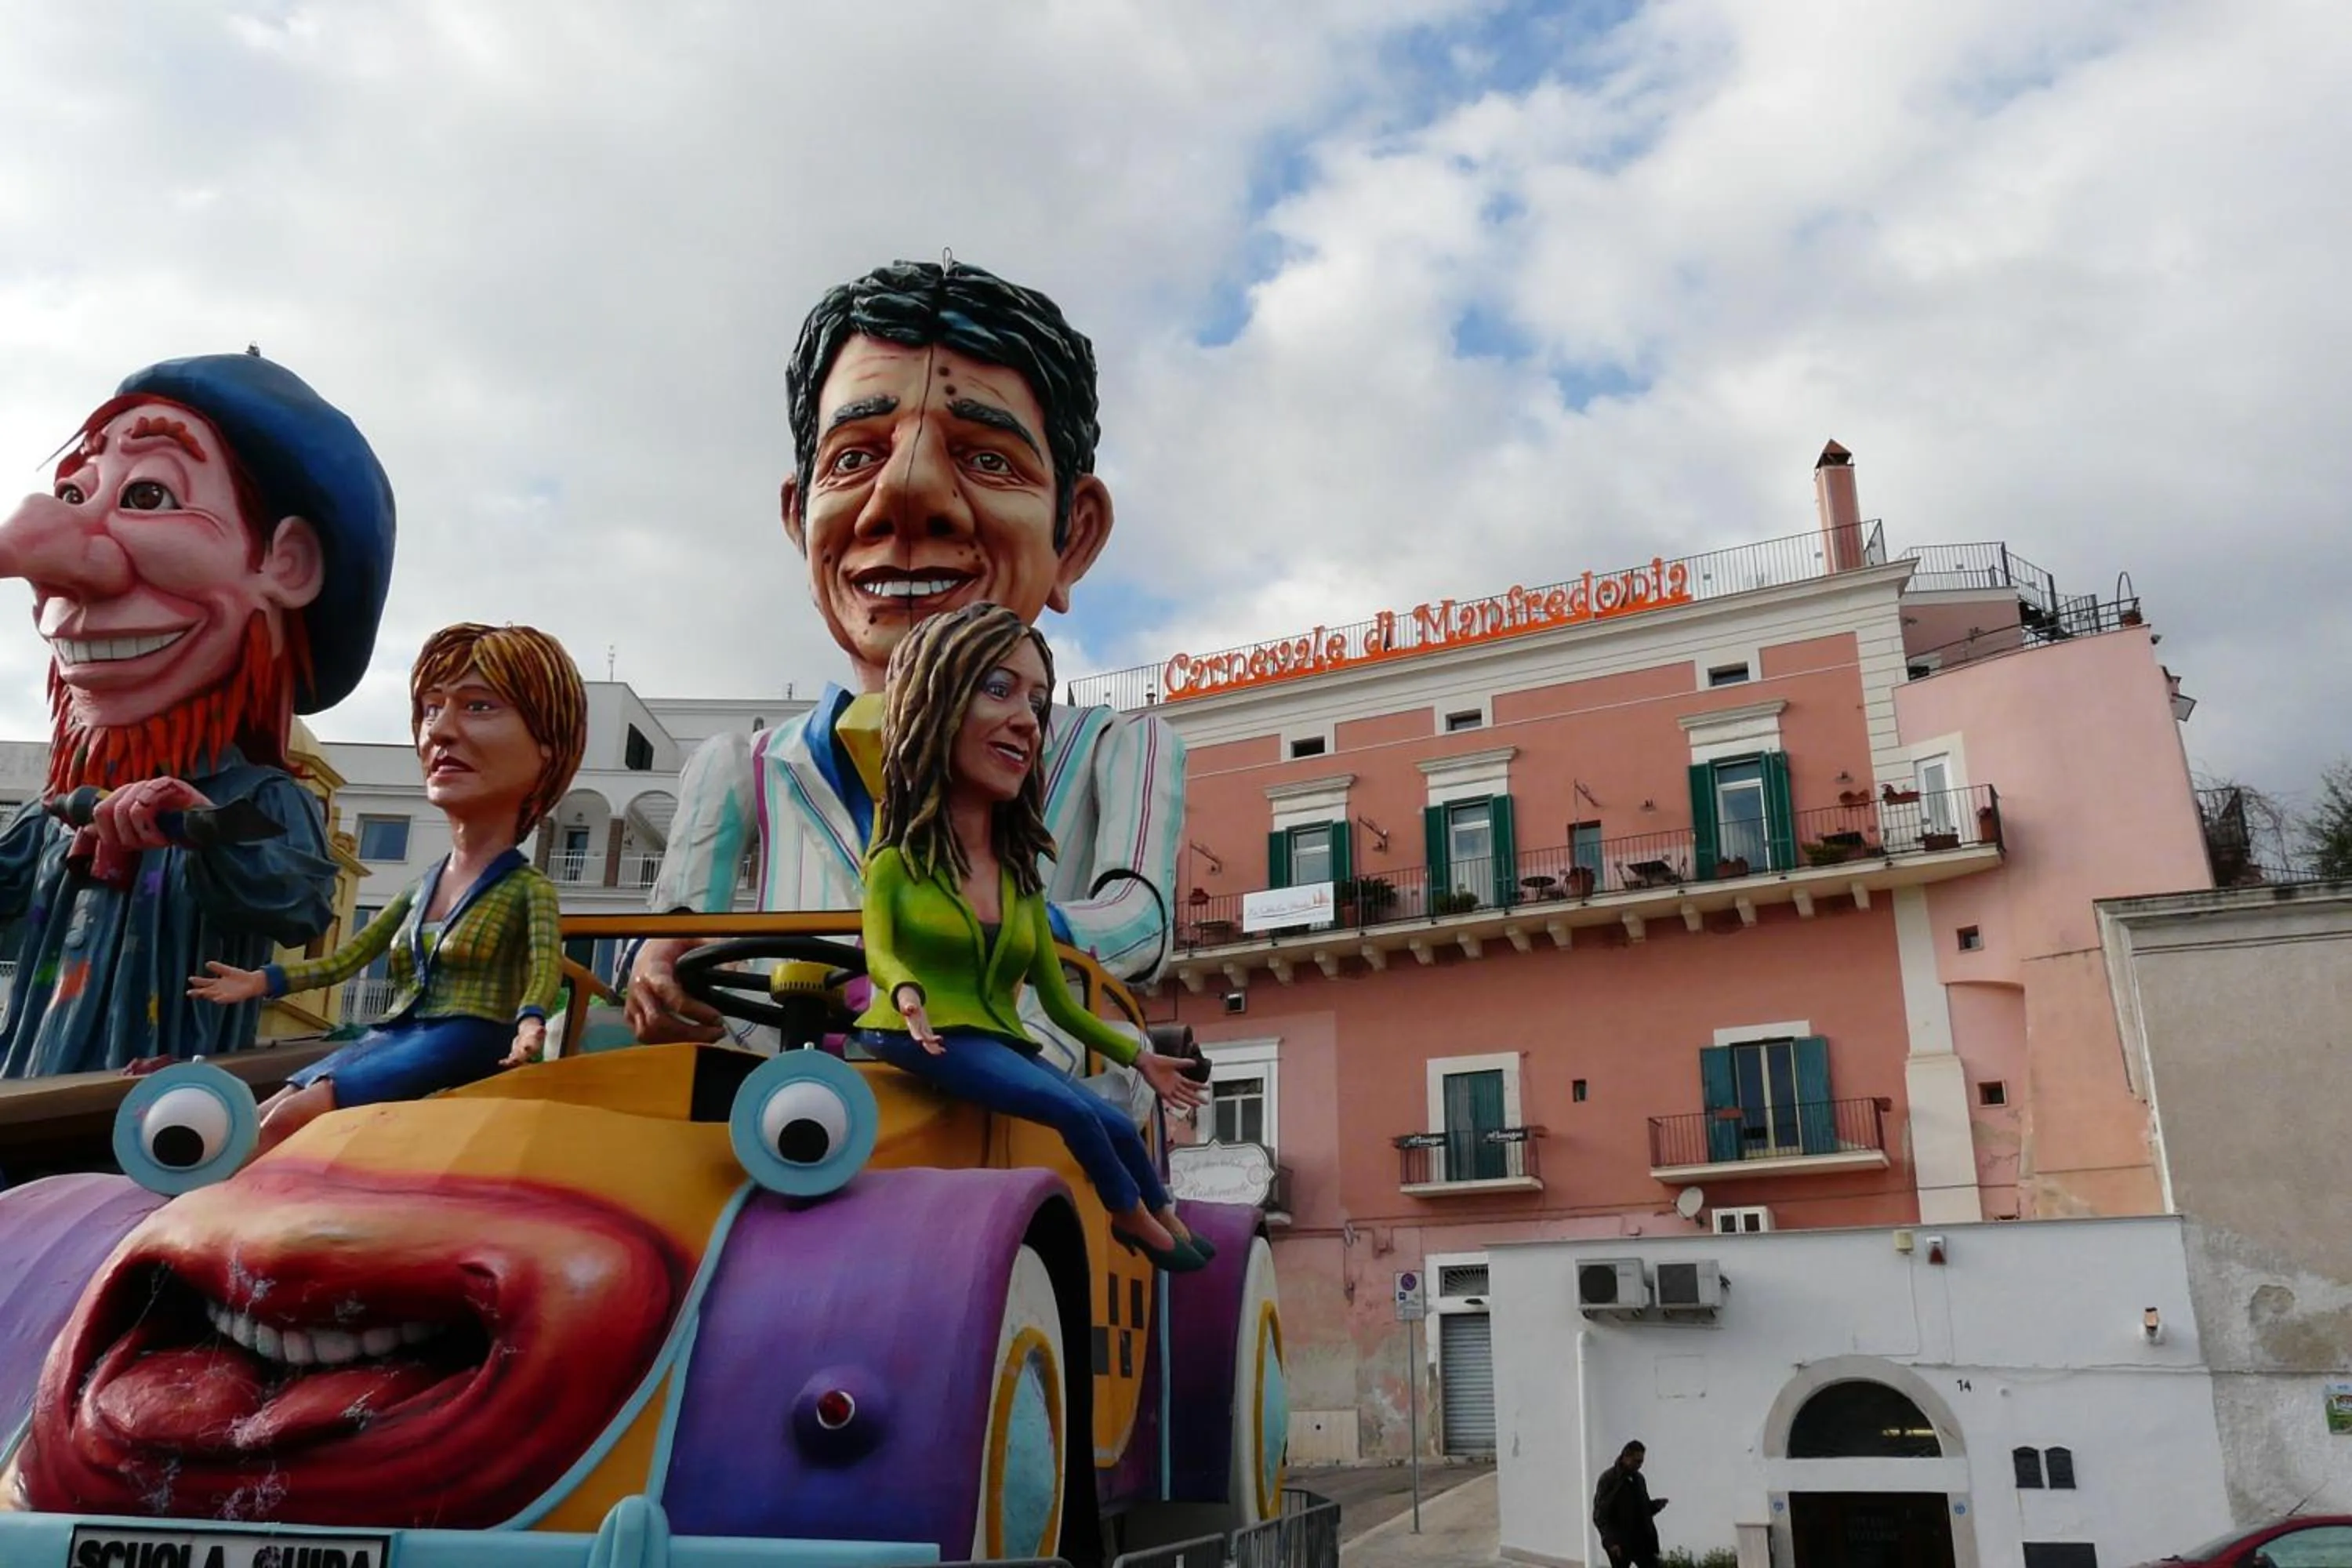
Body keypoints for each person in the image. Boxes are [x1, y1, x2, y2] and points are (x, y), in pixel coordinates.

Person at [626, 260, 1183, 1083]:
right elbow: (675, 929)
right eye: (854, 457)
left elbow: (1137, 922)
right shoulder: (741, 768)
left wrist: (981, 928)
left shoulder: (1117, 748)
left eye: (987, 459)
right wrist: (657, 962)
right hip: (781, 1093)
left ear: (1073, 536)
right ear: (799, 518)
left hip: (1017, 1081)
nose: (907, 494)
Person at [0, 352, 395, 1077]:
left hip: (167, 1114)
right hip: (27, 1099)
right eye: (74, 494)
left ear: (286, 564)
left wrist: (205, 829)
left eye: (149, 495)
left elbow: (295, 898)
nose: (46, 559)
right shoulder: (54, 816)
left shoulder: (258, 799)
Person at [852, 602, 1207, 1270]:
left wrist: (1140, 1059)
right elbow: (879, 949)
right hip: (914, 1033)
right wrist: (904, 992)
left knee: (1108, 1118)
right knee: (1073, 1114)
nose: (1027, 720)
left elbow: (1064, 1005)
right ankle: (1131, 1218)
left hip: (992, 1036)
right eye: (998, 689)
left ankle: (1163, 1209)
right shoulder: (897, 865)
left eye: (1037, 703)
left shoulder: (1020, 885)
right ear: (933, 704)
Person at [189, 622, 586, 1155]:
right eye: (431, 709)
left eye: (478, 706)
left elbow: (543, 967)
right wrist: (263, 980)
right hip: (397, 1031)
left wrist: (530, 1022)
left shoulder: (526, 887)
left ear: (546, 747)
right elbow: (347, 960)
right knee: (262, 1113)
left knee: (296, 1119)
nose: (441, 731)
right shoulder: (423, 887)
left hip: (468, 1036)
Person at [1592, 1440, 1669, 1568]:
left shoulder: (1639, 1479)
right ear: (1625, 1457)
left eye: (1641, 1462)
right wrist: (1611, 1542)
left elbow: (1642, 1509)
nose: (1639, 1465)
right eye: (1636, 1461)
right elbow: (1600, 1515)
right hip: (1620, 1543)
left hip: (1641, 1540)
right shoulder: (1609, 1479)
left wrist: (1655, 1506)